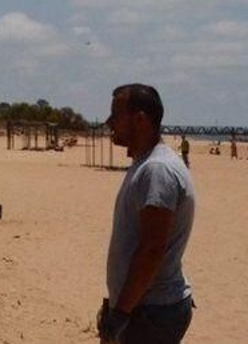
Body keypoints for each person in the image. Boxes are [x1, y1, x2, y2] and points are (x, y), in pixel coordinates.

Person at [96, 83, 196, 344]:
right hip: (142, 308)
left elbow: (152, 249)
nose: (109, 122)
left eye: (115, 114)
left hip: (151, 311)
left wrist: (120, 313)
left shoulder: (157, 170)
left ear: (140, 120)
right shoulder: (145, 163)